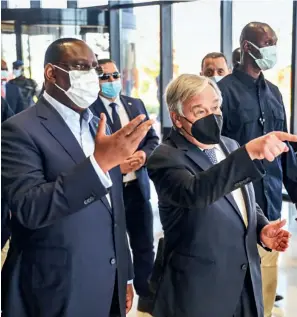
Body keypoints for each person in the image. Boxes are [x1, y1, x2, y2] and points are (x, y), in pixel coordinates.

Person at [1, 38, 154, 317]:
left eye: (93, 68)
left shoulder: (99, 126)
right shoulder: (19, 130)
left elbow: (115, 213)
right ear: (51, 73)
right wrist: (99, 164)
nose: (91, 77)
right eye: (81, 67)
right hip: (54, 288)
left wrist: (126, 275)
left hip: (108, 282)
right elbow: (29, 208)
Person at [147, 74, 295, 317]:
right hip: (199, 294)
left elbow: (242, 200)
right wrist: (248, 153)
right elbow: (197, 192)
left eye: (215, 107)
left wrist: (261, 228)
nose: (212, 116)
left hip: (245, 285)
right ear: (177, 118)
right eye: (200, 111)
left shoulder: (229, 145)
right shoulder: (165, 157)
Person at [217, 22, 297, 317]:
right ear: (247, 47)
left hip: (271, 200)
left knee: (266, 276)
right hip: (234, 201)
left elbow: (285, 150)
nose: (272, 48)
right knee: (233, 279)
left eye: (275, 41)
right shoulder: (222, 92)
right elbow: (215, 150)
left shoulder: (274, 93)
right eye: (267, 42)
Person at [90, 58, 159, 314]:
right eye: (104, 77)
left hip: (137, 188)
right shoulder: (90, 108)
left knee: (144, 244)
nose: (110, 81)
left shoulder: (135, 104)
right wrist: (116, 168)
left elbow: (152, 139)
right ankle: (117, 296)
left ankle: (147, 298)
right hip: (109, 191)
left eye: (113, 75)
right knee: (116, 246)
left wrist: (143, 156)